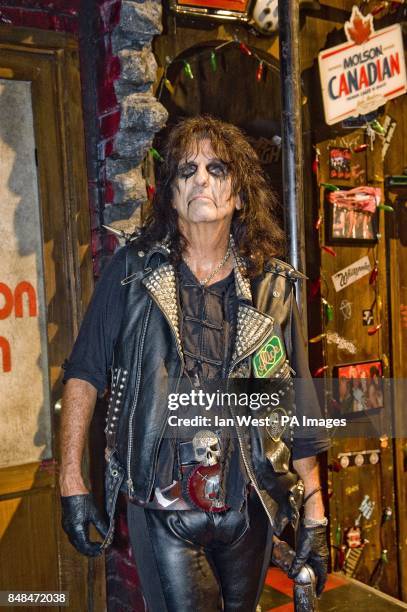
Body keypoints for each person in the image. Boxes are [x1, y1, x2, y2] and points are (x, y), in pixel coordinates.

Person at [60, 116, 330, 611]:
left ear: (240, 194)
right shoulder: (133, 272)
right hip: (163, 508)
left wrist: (313, 505)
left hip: (249, 505)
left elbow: (295, 401)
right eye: (187, 170)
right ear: (171, 194)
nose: (201, 179)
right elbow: (85, 371)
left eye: (217, 168)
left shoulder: (274, 287)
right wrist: (72, 481)